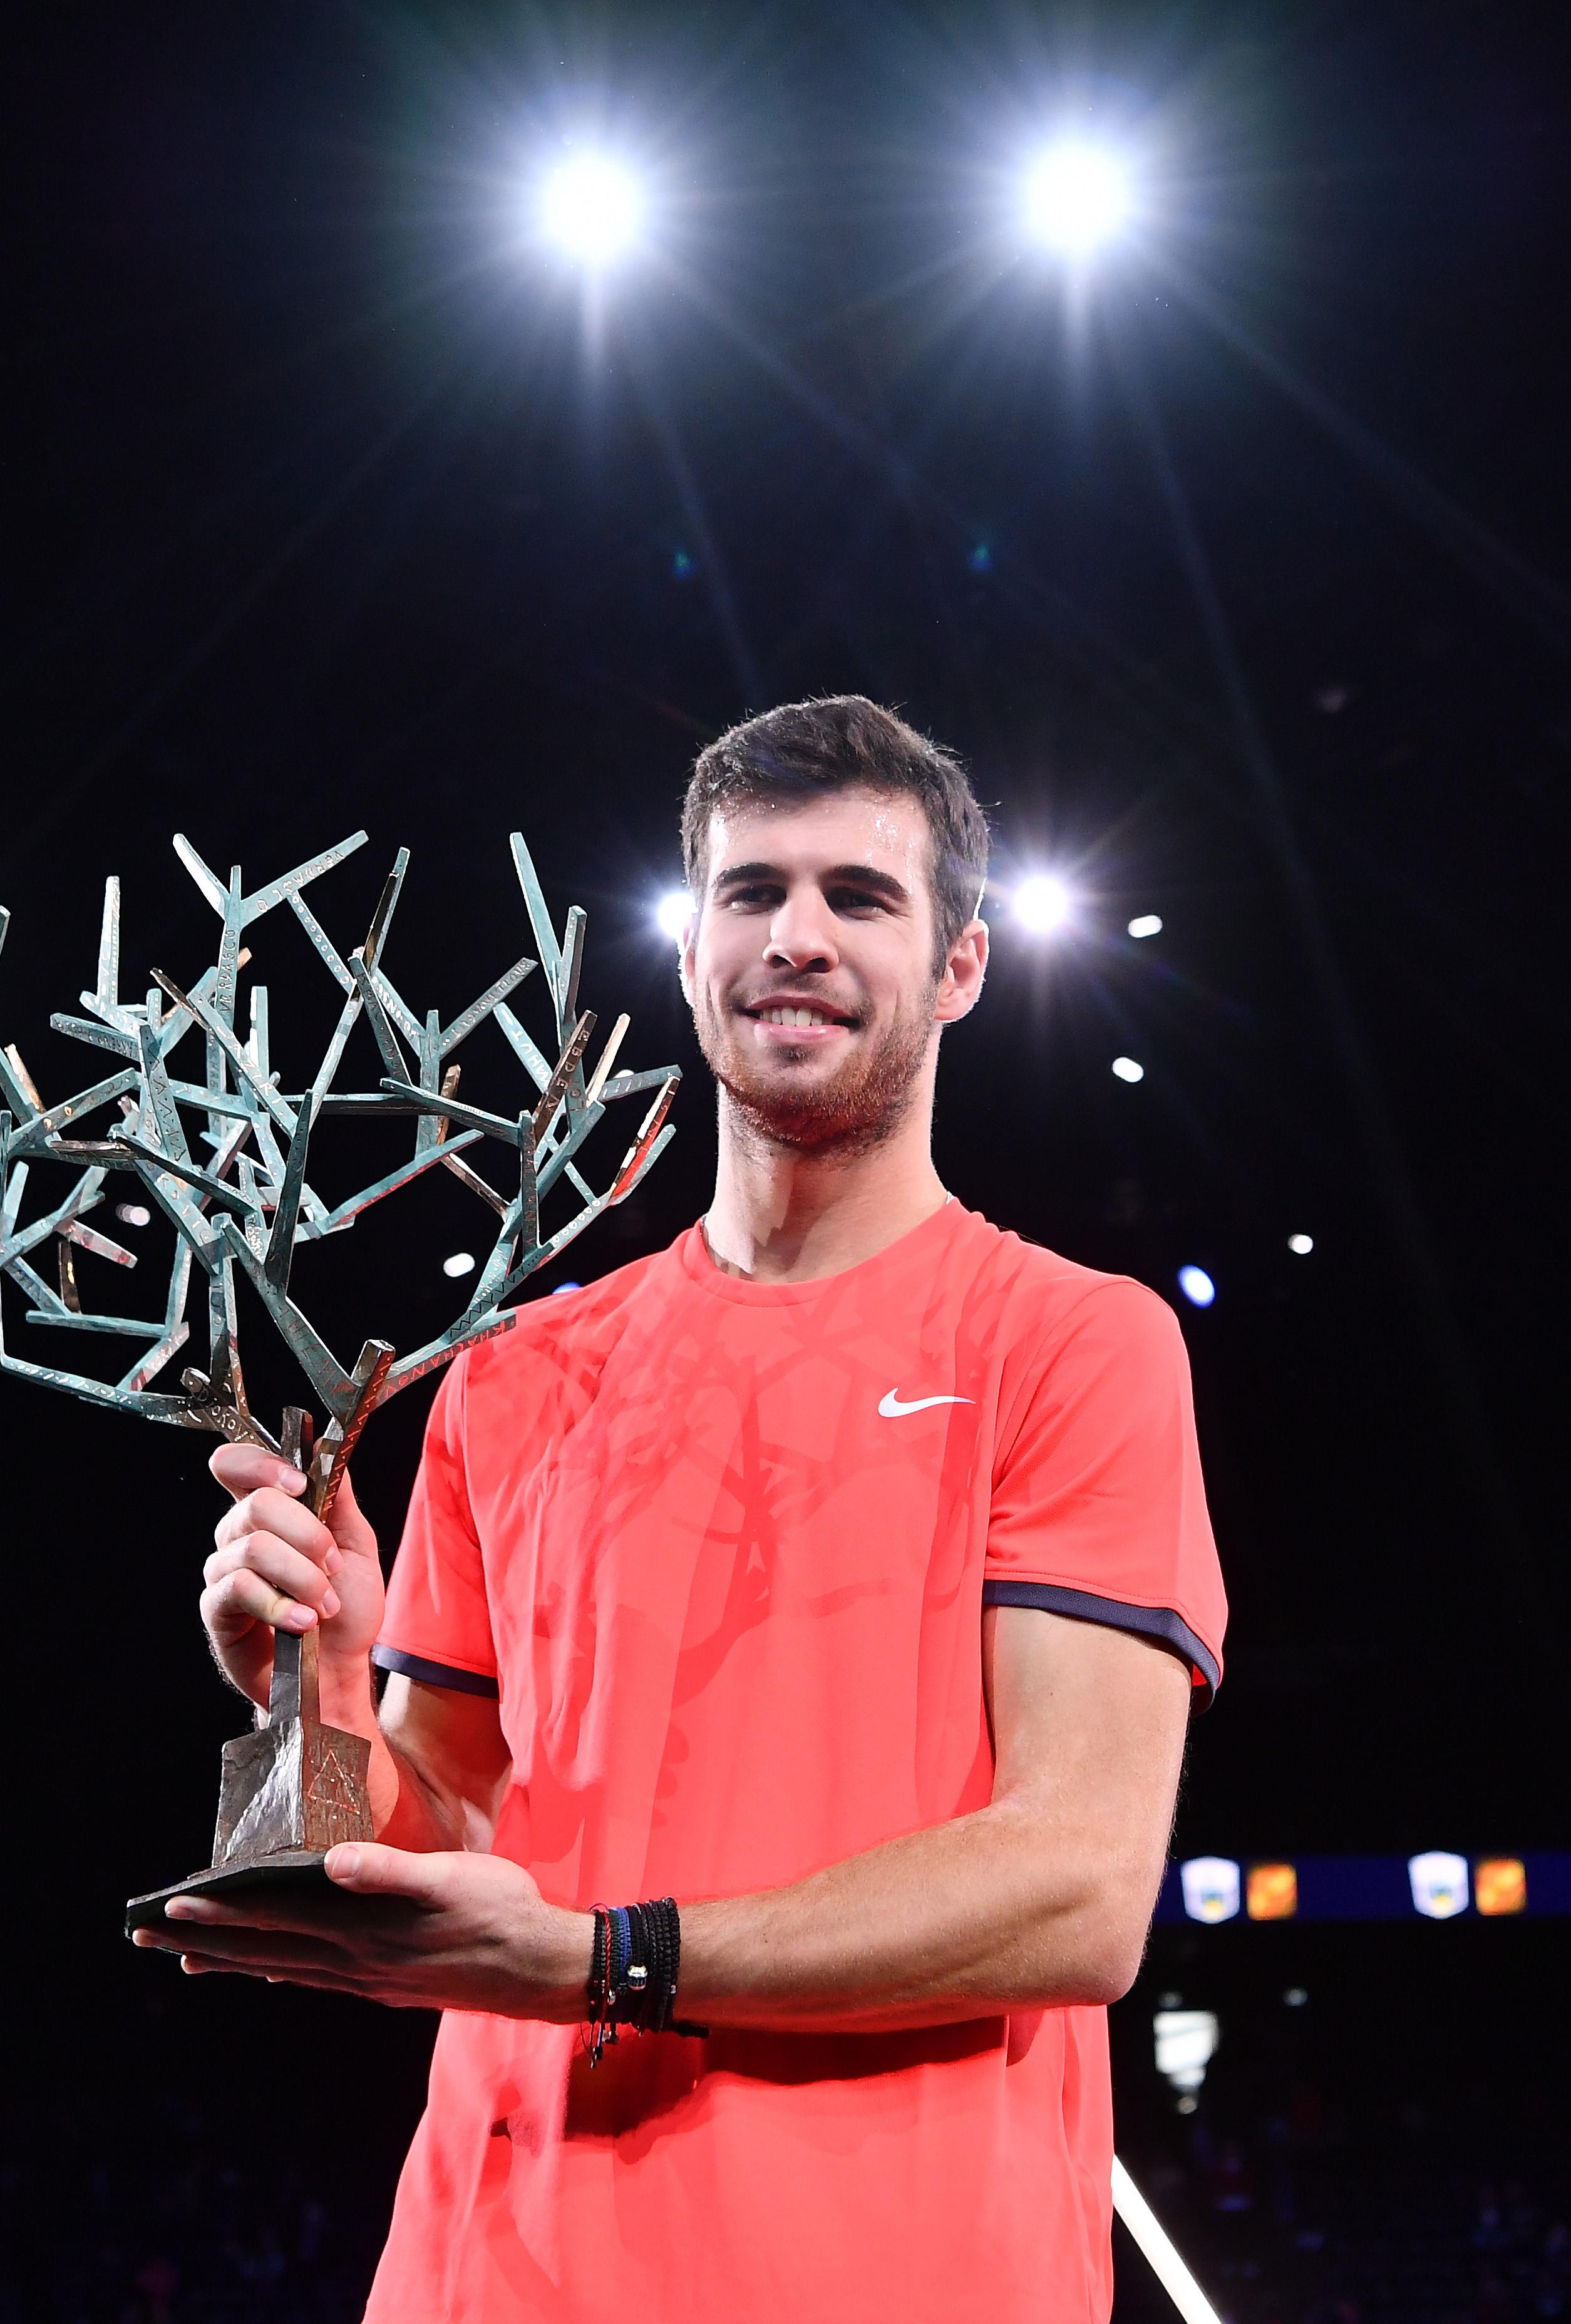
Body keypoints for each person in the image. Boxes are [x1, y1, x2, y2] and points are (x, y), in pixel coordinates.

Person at [135, 696, 1228, 2320]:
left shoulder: (1069, 1344)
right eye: (751, 891)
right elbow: (423, 1860)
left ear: (961, 969)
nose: (797, 935)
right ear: (694, 945)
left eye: (859, 898)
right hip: (487, 2275)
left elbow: (1078, 1892)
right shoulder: (516, 1374)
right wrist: (308, 1686)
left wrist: (606, 1965)